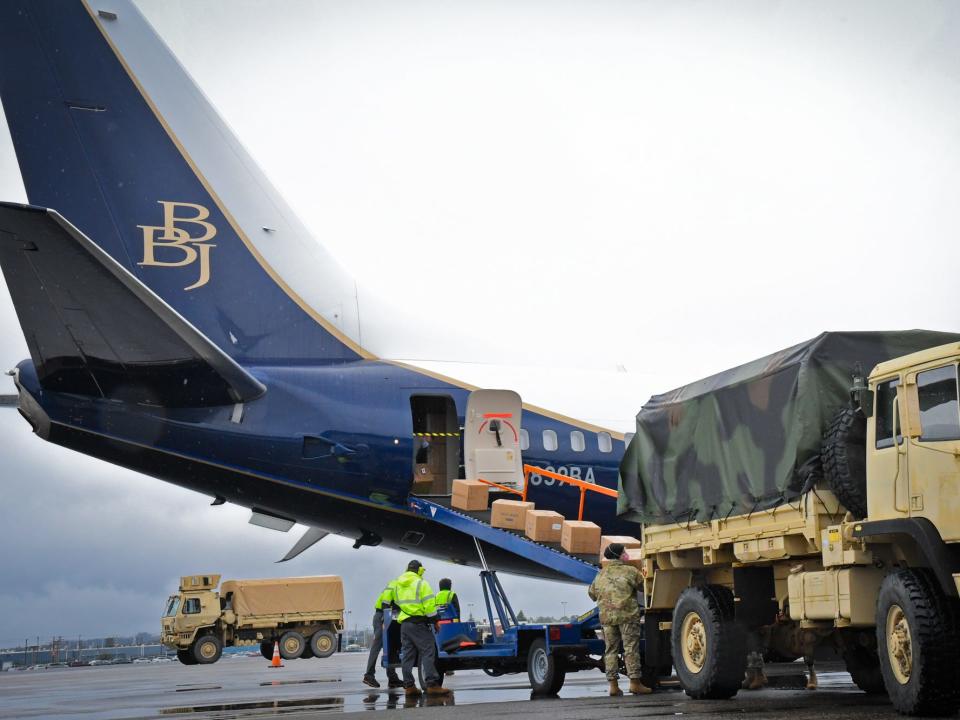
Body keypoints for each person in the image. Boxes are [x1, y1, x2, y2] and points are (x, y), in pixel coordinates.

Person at [588, 543, 653, 696]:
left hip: (607, 619)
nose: (626, 554)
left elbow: (591, 594)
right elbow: (645, 587)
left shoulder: (600, 574)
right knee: (631, 649)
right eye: (624, 552)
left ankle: (613, 686)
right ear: (620, 555)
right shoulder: (630, 571)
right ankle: (635, 684)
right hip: (627, 617)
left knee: (610, 651)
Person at [394, 559, 451, 698]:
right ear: (419, 570)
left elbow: (395, 603)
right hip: (418, 623)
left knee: (408, 655)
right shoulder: (421, 583)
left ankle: (409, 687)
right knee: (428, 650)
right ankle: (432, 685)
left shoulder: (398, 584)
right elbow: (430, 607)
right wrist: (435, 621)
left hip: (405, 624)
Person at [363, 579, 403, 689]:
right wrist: (385, 620)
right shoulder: (395, 585)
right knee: (378, 645)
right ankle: (369, 675)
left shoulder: (398, 587)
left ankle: (393, 678)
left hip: (388, 616)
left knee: (389, 645)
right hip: (383, 616)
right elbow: (385, 603)